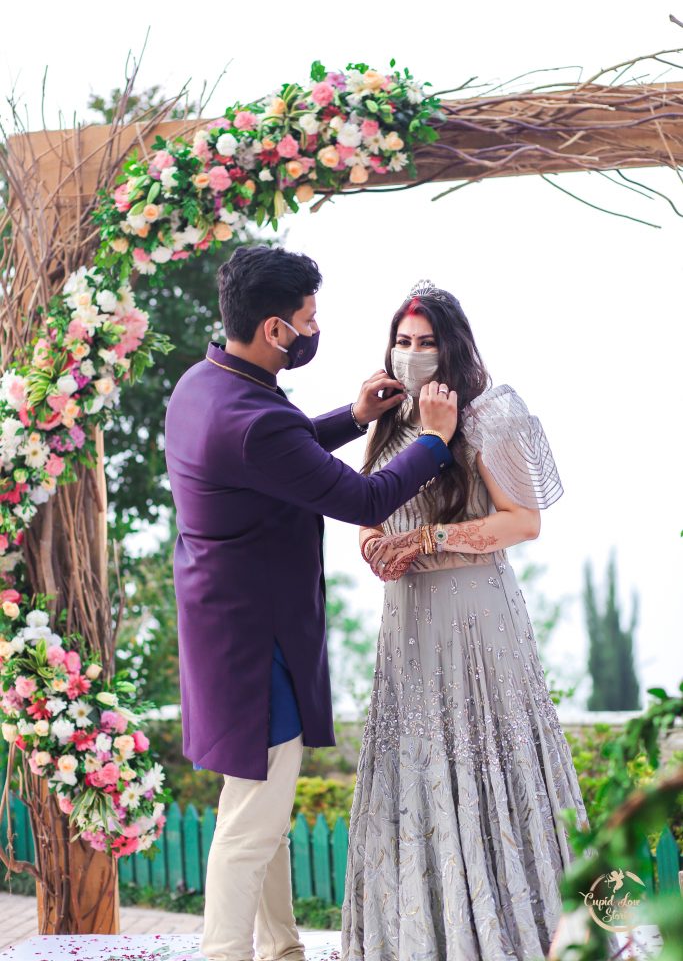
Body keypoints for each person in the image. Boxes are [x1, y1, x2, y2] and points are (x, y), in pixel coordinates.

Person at [163, 247, 458, 961]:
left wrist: (351, 418)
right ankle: (226, 953)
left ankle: (281, 948)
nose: (313, 327)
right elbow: (361, 497)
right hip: (255, 639)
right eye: (307, 318)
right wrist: (433, 441)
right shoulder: (255, 419)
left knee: (252, 799)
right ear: (274, 330)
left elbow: (271, 457)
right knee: (253, 824)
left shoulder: (204, 384)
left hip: (218, 621)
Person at [341, 280, 587, 961]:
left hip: (475, 616)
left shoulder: (489, 414)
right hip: (407, 619)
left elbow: (523, 522)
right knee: (414, 764)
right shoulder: (388, 417)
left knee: (486, 758)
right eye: (402, 341)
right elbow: (368, 510)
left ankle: (513, 932)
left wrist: (427, 541)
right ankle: (425, 936)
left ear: (452, 348)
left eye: (425, 343)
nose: (412, 354)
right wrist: (373, 548)